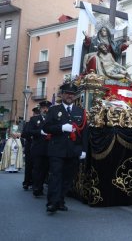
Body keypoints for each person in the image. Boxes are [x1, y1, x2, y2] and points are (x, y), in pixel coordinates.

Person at [42, 83, 87, 213]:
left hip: (73, 150)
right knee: (56, 176)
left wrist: (84, 150)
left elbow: (84, 132)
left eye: (72, 94)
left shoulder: (80, 111)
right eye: (67, 93)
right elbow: (46, 128)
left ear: (74, 96)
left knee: (68, 178)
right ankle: (52, 203)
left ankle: (60, 200)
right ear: (62, 94)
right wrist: (61, 128)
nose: (69, 96)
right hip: (57, 150)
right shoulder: (53, 110)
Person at [26, 100, 52, 197]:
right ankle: (36, 188)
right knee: (37, 168)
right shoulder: (34, 119)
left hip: (49, 148)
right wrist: (39, 132)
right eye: (43, 108)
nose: (45, 110)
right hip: (37, 148)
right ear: (40, 109)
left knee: (45, 169)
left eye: (47, 108)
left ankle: (40, 186)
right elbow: (29, 131)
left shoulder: (51, 119)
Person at [21, 106, 40, 190]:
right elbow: (23, 134)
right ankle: (26, 182)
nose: (36, 115)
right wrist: (30, 136)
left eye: (37, 113)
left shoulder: (42, 122)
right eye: (35, 113)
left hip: (38, 146)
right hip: (30, 146)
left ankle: (35, 183)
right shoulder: (28, 123)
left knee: (37, 166)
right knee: (29, 165)